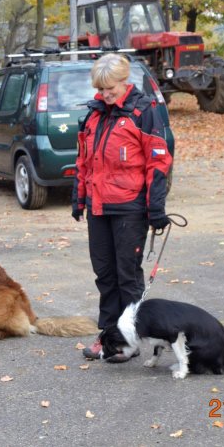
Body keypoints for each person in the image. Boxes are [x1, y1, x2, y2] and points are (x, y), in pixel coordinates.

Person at [72, 53, 173, 362]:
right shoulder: (94, 114)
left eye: (109, 89)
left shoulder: (143, 111)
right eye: (101, 89)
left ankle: (130, 339)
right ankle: (108, 335)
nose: (104, 95)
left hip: (130, 208)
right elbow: (84, 161)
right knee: (104, 275)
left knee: (127, 276)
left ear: (124, 81)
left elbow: (159, 161)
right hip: (98, 207)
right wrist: (79, 198)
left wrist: (155, 208)